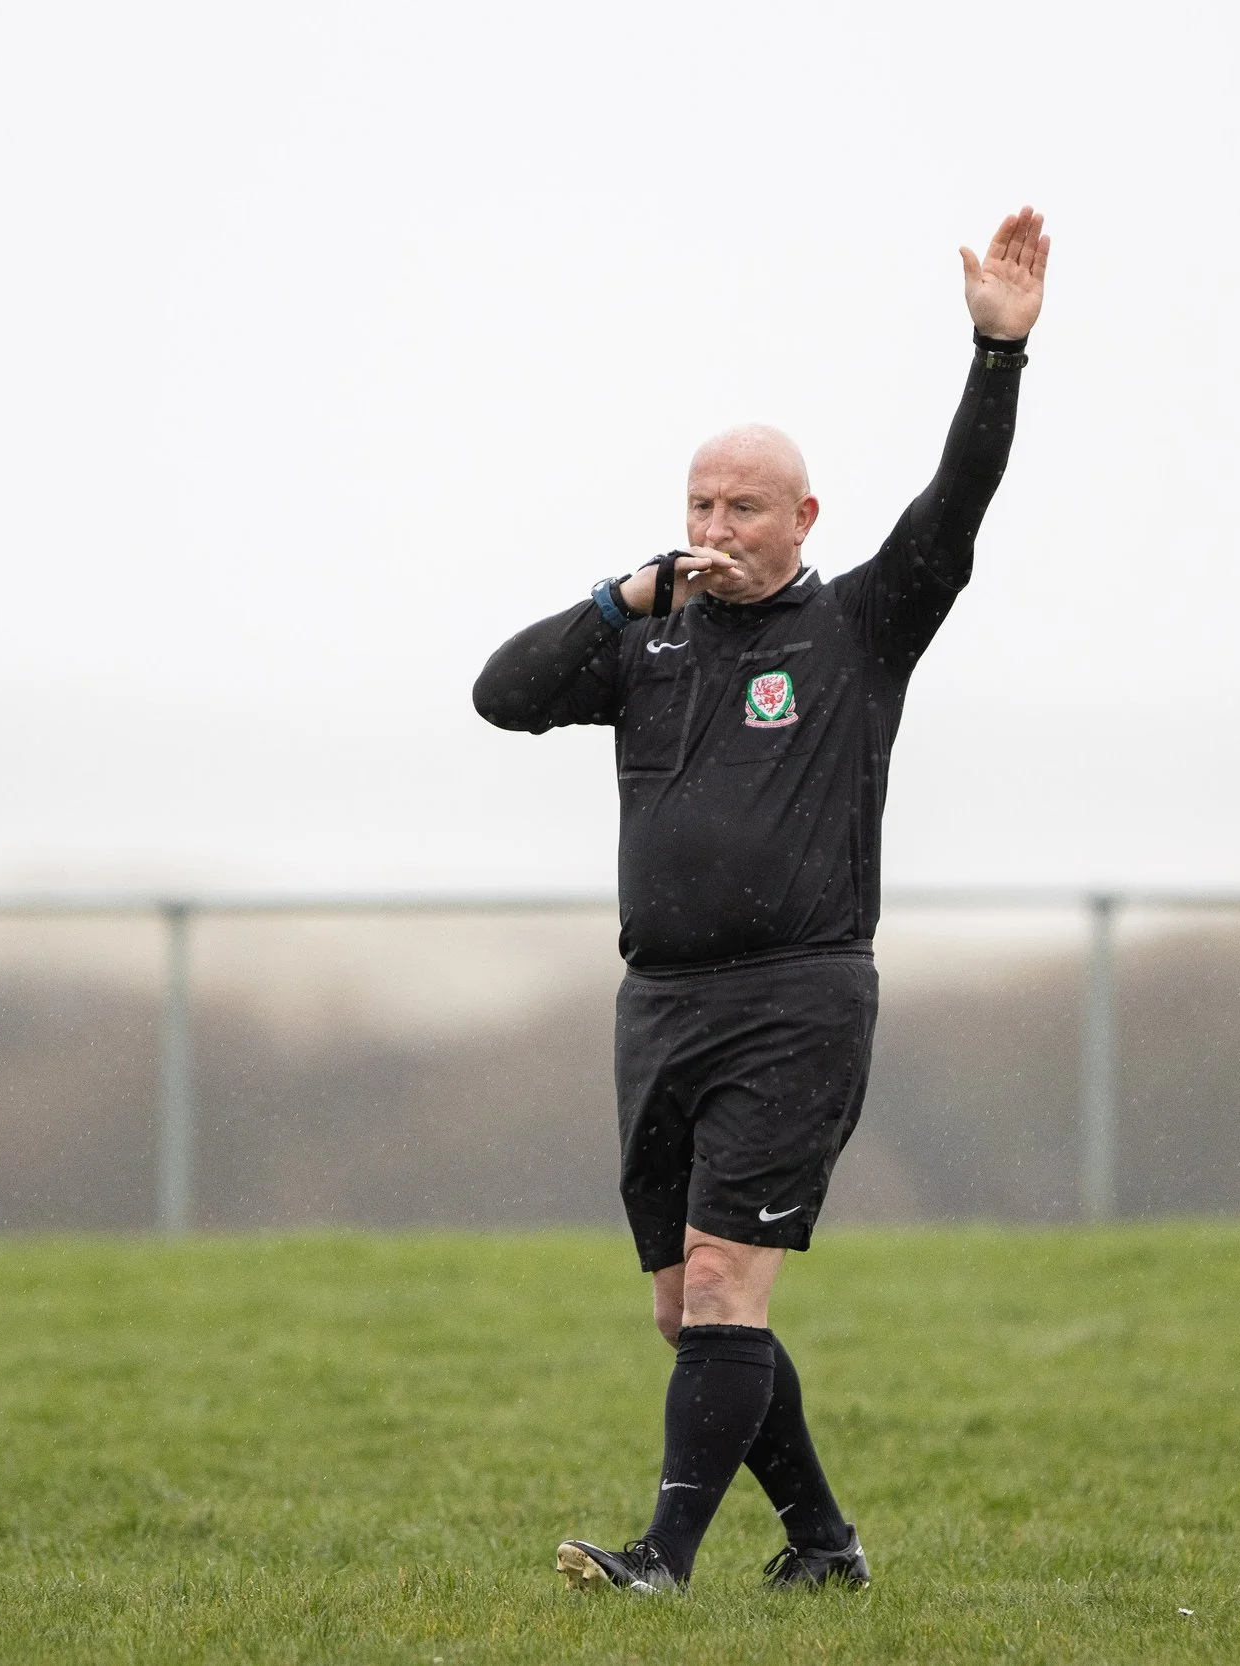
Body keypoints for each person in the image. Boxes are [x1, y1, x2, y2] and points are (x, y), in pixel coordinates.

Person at [471, 206, 1046, 1595]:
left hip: (796, 997)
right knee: (687, 1311)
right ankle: (826, 1546)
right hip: (658, 1003)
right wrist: (617, 598)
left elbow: (955, 511)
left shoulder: (857, 625)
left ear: (804, 519)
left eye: (744, 507)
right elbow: (502, 694)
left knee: (730, 1290)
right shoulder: (648, 638)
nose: (718, 528)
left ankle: (663, 1561)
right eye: (699, 505)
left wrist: (996, 354)